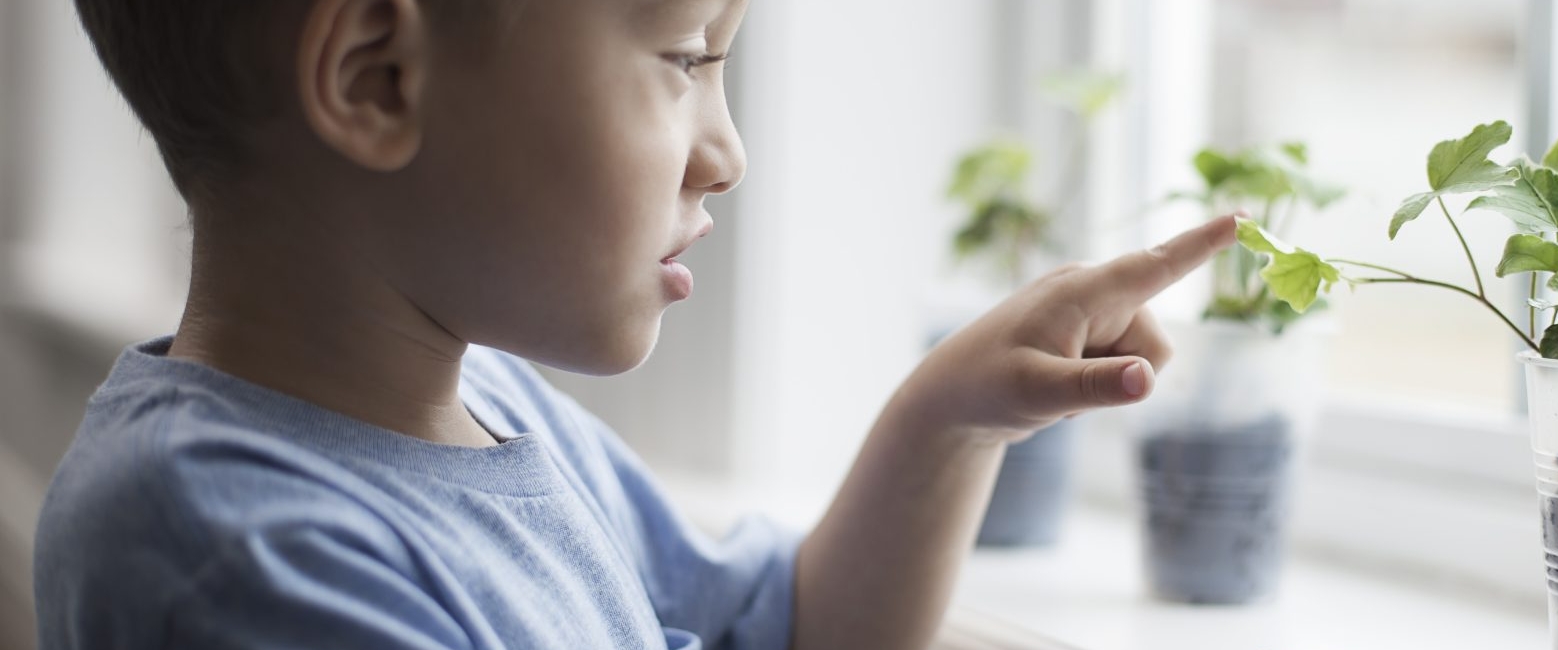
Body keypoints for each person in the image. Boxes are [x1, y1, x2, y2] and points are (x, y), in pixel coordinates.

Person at [33, 0, 1238, 648]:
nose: (728, 153)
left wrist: (952, 419)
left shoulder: (495, 410)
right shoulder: (238, 553)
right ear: (376, 79)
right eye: (682, 56)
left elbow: (793, 633)